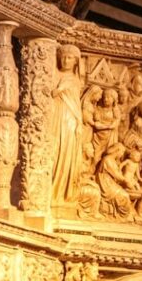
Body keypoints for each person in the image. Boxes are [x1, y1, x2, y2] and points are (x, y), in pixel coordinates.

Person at [49, 44, 85, 205]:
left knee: (65, 154)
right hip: (55, 116)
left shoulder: (75, 80)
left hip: (70, 119)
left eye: (70, 58)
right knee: (54, 150)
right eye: (63, 57)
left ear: (76, 62)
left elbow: (76, 104)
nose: (65, 60)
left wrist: (78, 123)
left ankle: (60, 193)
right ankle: (50, 191)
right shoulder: (54, 74)